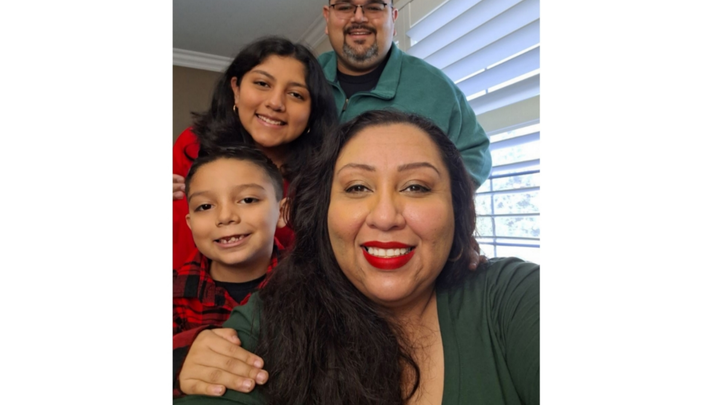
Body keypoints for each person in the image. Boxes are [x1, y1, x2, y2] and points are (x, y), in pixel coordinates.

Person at [173, 110, 539, 404]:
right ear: (323, 211)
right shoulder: (267, 317)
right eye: (357, 187)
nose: (385, 216)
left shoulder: (512, 297)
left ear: (456, 209)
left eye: (416, 187)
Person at [173, 36, 338, 270]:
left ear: (312, 112)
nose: (275, 103)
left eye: (295, 94)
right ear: (236, 90)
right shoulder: (192, 146)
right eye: (262, 83)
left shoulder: (326, 177)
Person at [318, 0, 492, 189]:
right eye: (344, 7)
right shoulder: (304, 75)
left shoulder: (435, 87)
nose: (359, 18)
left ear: (393, 18)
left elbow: (475, 156)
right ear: (327, 17)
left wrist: (429, 195)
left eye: (374, 7)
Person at [174, 146, 288, 335]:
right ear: (190, 223)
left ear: (282, 212)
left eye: (248, 200)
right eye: (205, 206)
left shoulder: (315, 285)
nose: (225, 216)